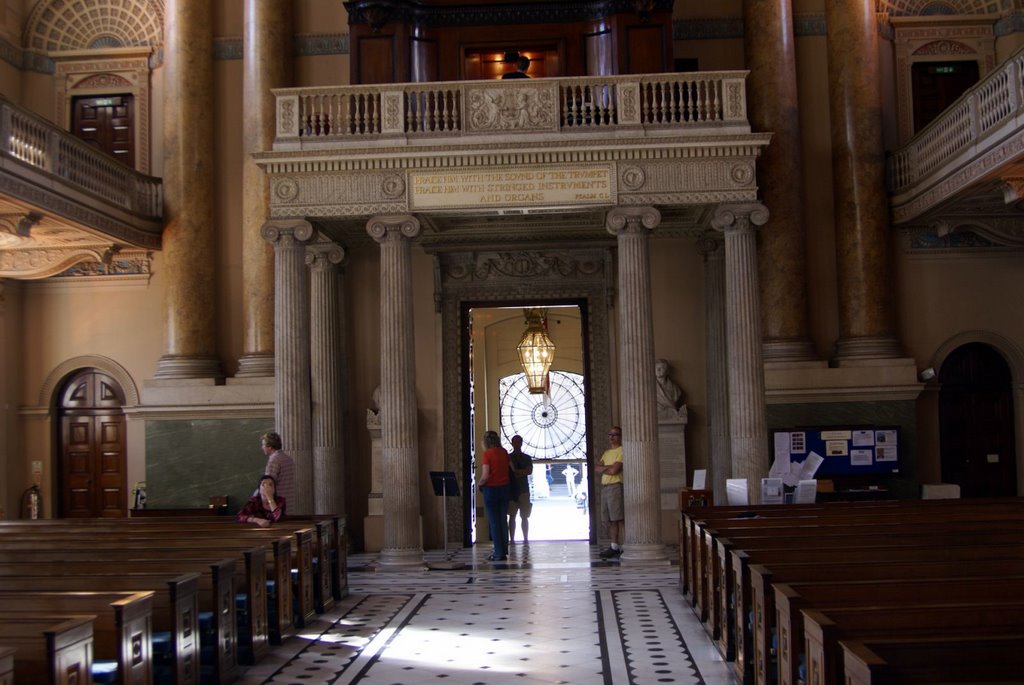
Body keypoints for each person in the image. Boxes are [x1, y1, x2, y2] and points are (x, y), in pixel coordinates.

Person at [479, 430, 511, 561]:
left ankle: (498, 553)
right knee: (503, 520)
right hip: (505, 489)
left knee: (494, 522)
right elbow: (511, 468)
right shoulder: (504, 452)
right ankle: (504, 549)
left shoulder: (487, 454)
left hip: (491, 489)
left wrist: (479, 484)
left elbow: (486, 475)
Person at [595, 426, 624, 559]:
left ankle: (624, 546)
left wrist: (604, 468)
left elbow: (614, 471)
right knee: (611, 520)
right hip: (605, 487)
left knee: (618, 518)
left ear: (620, 436)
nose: (612, 437)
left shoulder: (622, 450)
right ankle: (614, 546)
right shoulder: (607, 453)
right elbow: (596, 468)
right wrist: (609, 467)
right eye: (610, 434)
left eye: (615, 435)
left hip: (615, 486)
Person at [507, 435, 534, 544]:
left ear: (521, 443)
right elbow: (508, 472)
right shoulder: (508, 458)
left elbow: (529, 471)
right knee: (512, 515)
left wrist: (515, 472)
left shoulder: (527, 458)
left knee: (524, 516)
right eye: (515, 442)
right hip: (512, 490)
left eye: (519, 442)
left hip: (523, 490)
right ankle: (512, 539)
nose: (517, 444)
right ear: (512, 443)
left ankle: (525, 538)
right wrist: (521, 472)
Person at [259, 431, 295, 506]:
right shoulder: (288, 458)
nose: (262, 448)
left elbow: (268, 486)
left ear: (270, 447)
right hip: (289, 501)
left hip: (277, 504)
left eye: (263, 445)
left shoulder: (274, 460)